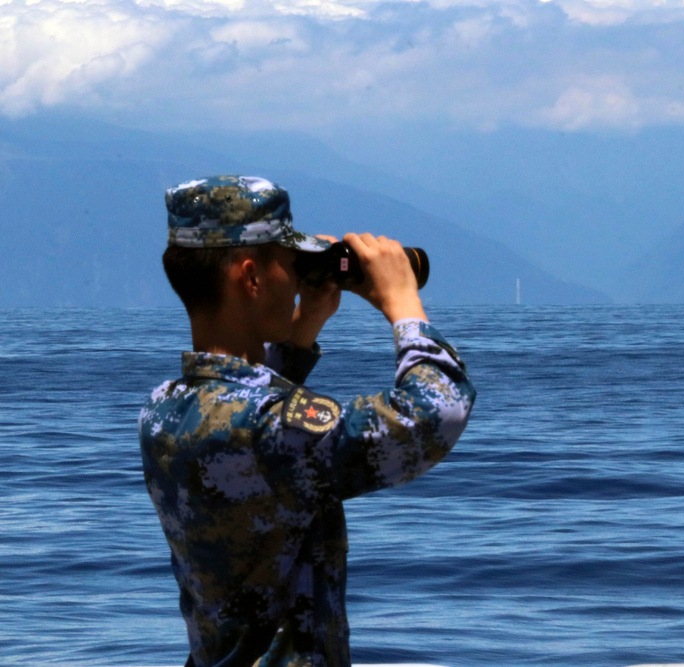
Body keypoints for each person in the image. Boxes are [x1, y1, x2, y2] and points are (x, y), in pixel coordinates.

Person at [139, 175, 475, 667]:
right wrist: (403, 304)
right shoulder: (265, 429)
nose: (298, 280)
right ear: (251, 277)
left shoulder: (164, 408)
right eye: (291, 266)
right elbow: (433, 414)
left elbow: (244, 407)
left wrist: (303, 329)